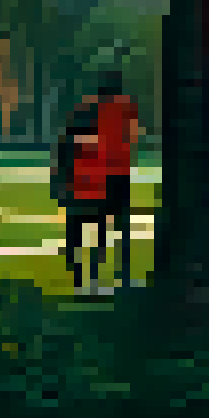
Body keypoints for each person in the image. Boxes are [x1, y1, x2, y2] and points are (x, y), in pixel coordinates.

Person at [83, 72, 140, 288]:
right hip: (121, 173)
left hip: (100, 174)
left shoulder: (95, 108)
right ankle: (123, 275)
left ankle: (94, 277)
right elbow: (132, 136)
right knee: (122, 227)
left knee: (100, 228)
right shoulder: (126, 107)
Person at [52, 101, 112, 295]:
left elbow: (60, 170)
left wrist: (60, 193)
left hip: (76, 197)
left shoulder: (68, 142)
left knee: (75, 241)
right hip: (95, 197)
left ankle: (78, 279)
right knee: (98, 240)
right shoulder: (100, 140)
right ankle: (92, 277)